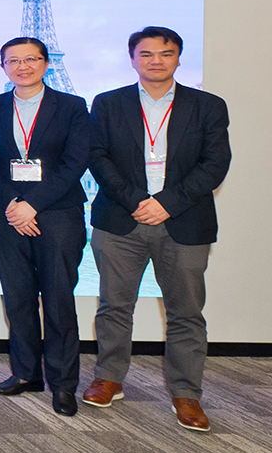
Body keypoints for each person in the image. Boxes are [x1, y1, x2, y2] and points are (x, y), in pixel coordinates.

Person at [84, 27, 231, 432]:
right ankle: (109, 378)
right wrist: (136, 200)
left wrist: (167, 202)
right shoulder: (109, 103)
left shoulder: (207, 105)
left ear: (178, 58)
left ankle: (187, 394)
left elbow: (215, 164)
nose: (155, 61)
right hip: (120, 220)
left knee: (186, 313)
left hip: (184, 221)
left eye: (165, 54)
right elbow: (98, 158)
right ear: (132, 59)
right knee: (114, 306)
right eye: (145, 54)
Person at [0, 37, 91, 418]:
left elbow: (75, 163)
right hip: (7, 215)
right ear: (3, 67)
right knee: (19, 298)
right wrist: (13, 204)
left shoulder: (73, 107)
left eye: (31, 59)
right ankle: (26, 373)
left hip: (58, 215)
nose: (22, 66)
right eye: (13, 60)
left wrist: (33, 204)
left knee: (59, 300)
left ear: (46, 63)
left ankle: (63, 384)